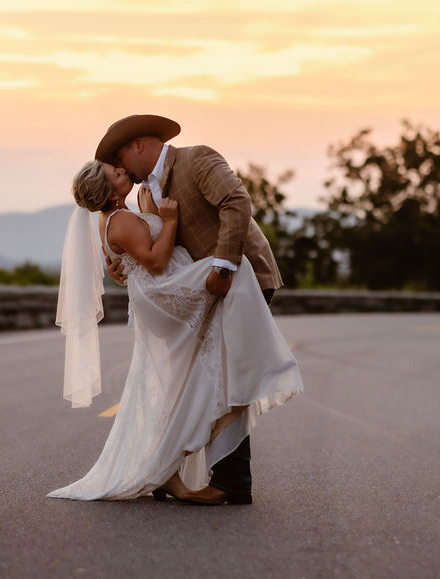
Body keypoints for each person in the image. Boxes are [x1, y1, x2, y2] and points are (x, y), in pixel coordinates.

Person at [47, 115, 302, 505]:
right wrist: (123, 265)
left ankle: (224, 478)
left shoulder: (197, 159)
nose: (119, 169)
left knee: (229, 375)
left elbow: (237, 203)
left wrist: (224, 266)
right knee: (215, 378)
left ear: (138, 146)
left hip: (236, 279)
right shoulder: (144, 195)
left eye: (118, 159)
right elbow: (150, 249)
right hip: (198, 292)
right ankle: (218, 476)